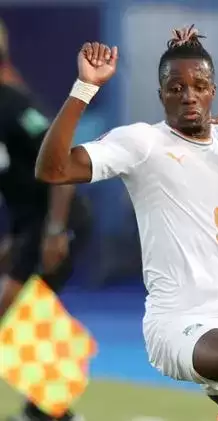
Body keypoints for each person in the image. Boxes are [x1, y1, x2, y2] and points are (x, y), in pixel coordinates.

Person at [33, 27, 218, 421]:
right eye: (176, 88)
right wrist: (85, 87)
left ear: (213, 91)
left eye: (199, 86)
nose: (188, 95)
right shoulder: (143, 143)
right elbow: (53, 170)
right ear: (161, 96)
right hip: (175, 323)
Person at [0, 20, 90, 421]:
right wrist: (17, 237)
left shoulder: (15, 105)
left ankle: (52, 408)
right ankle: (49, 408)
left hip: (58, 219)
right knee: (22, 310)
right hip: (31, 225)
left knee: (13, 305)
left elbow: (62, 162)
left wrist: (55, 230)